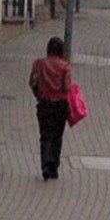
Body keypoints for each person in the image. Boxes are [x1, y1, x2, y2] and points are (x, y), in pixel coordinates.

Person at [29, 36, 74, 179]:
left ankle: (45, 165)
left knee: (45, 135)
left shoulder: (39, 64)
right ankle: (54, 166)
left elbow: (32, 82)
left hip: (44, 104)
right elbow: (67, 87)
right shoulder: (65, 67)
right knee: (57, 136)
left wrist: (38, 94)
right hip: (60, 105)